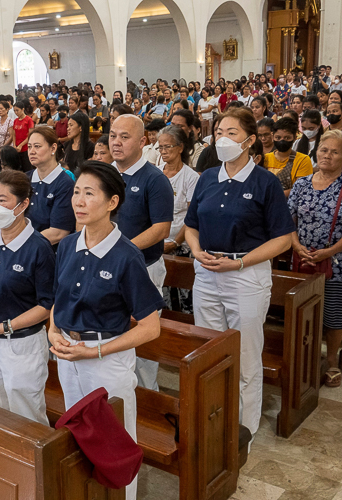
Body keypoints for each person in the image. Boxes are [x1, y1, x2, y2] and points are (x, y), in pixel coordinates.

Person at [48, 161, 164, 500]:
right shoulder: (68, 245)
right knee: (80, 438)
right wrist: (53, 330)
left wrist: (94, 351)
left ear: (112, 202)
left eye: (89, 194)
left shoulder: (127, 256)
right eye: (76, 192)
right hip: (69, 355)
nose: (79, 201)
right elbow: (59, 298)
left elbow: (150, 327)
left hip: (105, 359)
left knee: (116, 443)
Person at [184, 108, 295, 437]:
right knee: (208, 350)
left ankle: (243, 431)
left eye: (231, 133)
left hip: (246, 275)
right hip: (206, 273)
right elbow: (191, 226)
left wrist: (241, 262)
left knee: (245, 355)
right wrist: (195, 249)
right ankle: (213, 421)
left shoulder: (264, 182)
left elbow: (283, 239)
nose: (222, 138)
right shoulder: (207, 177)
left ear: (249, 141)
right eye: (219, 131)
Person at [0, 170, 55, 424]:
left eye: (2, 200)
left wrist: (5, 326)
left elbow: (46, 304)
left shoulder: (39, 248)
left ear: (23, 204)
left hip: (21, 344)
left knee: (26, 415)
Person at [288, 130, 342, 388]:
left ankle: (331, 360)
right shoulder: (301, 183)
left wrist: (329, 251)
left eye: (335, 152)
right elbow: (287, 222)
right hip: (303, 259)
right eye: (324, 150)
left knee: (334, 316)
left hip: (337, 262)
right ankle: (303, 357)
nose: (327, 156)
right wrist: (296, 245)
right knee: (302, 313)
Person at [110, 114, 172, 391]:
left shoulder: (154, 179)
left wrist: (122, 251)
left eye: (125, 137)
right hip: (109, 266)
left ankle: (149, 401)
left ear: (142, 142)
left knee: (143, 343)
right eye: (113, 135)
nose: (117, 142)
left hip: (143, 267)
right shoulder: (105, 175)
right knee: (114, 334)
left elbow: (160, 229)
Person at [158, 125, 199, 314]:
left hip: (181, 242)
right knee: (162, 294)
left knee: (185, 297)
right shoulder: (157, 174)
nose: (163, 151)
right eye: (161, 147)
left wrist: (175, 241)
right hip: (158, 242)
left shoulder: (190, 177)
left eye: (168, 147)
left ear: (180, 148)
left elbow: (191, 215)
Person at [26, 128, 76, 245]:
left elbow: (58, 232)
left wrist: (24, 245)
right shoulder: (24, 179)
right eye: (29, 147)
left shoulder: (65, 184)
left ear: (53, 148)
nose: (32, 151)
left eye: (37, 146)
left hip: (47, 250)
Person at [264, 118, 313, 195]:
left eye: (287, 138)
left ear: (294, 138)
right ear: (272, 137)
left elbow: (300, 189)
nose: (282, 141)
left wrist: (272, 196)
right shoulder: (265, 158)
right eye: (278, 138)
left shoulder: (303, 160)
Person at [12, 100, 34, 172]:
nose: (16, 112)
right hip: (17, 148)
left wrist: (21, 145)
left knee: (27, 168)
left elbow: (30, 135)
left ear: (22, 109)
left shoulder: (28, 120)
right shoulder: (15, 121)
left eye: (17, 110)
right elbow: (14, 134)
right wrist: (15, 145)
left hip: (25, 147)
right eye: (14, 110)